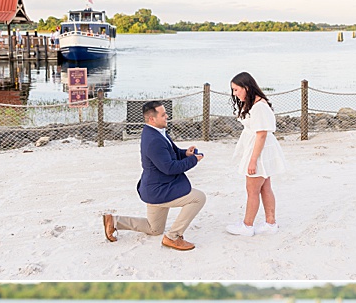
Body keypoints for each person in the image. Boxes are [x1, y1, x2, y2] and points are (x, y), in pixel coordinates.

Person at [102, 100, 207, 251]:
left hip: (154, 187)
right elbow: (169, 168)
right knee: (199, 198)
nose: (167, 116)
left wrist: (186, 153)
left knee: (154, 229)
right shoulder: (153, 140)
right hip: (160, 190)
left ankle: (114, 221)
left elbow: (172, 152)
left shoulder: (157, 132)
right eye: (163, 115)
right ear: (152, 119)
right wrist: (193, 161)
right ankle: (173, 237)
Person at [225, 72, 284, 237]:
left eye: (236, 90)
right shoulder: (253, 103)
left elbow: (262, 134)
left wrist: (252, 160)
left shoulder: (259, 107)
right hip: (260, 147)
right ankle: (270, 223)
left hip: (260, 150)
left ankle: (247, 225)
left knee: (252, 189)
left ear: (246, 87)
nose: (235, 94)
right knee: (265, 187)